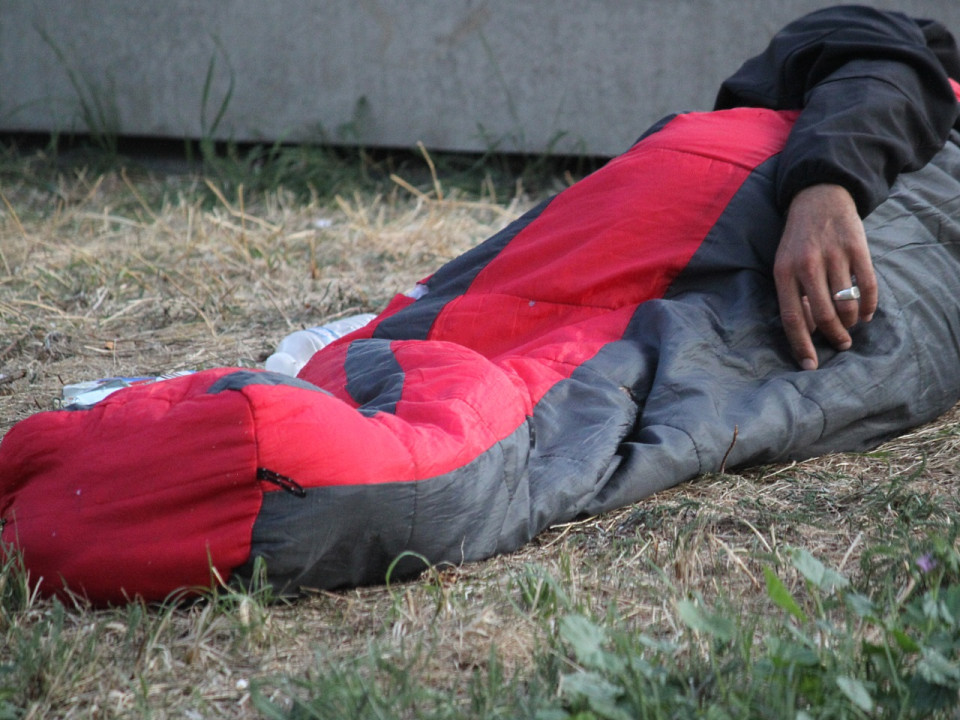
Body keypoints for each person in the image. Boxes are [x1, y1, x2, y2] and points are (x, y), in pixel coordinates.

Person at [3, 5, 960, 604]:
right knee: (495, 425)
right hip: (739, 205)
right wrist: (828, 181)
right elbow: (876, 37)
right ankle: (154, 472)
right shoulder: (900, 94)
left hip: (781, 260)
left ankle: (102, 461)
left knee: (493, 395)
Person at [713, 5, 960, 370]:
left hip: (722, 280)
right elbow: (859, 34)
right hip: (689, 196)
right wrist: (825, 184)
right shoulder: (924, 72)